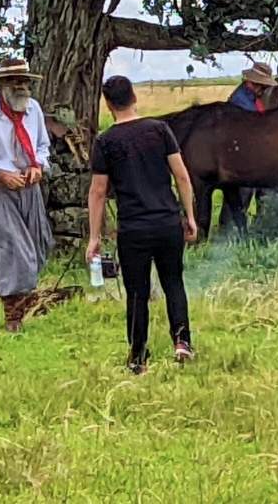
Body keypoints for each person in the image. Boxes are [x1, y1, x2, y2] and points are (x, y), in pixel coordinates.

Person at [86, 75, 199, 374]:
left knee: (137, 292)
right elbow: (182, 176)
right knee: (173, 281)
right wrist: (188, 215)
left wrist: (94, 237)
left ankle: (138, 356)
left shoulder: (105, 141)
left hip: (133, 227)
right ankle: (182, 341)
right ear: (134, 97)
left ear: (108, 104)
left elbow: (98, 191)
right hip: (166, 221)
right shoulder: (159, 130)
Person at [0, 58, 57, 332]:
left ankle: (28, 304)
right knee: (11, 250)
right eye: (15, 81)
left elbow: (42, 146)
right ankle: (12, 315)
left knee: (37, 247)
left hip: (31, 188)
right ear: (2, 84)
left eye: (25, 81)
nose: (21, 86)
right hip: (2, 191)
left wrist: (39, 166)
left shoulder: (34, 110)